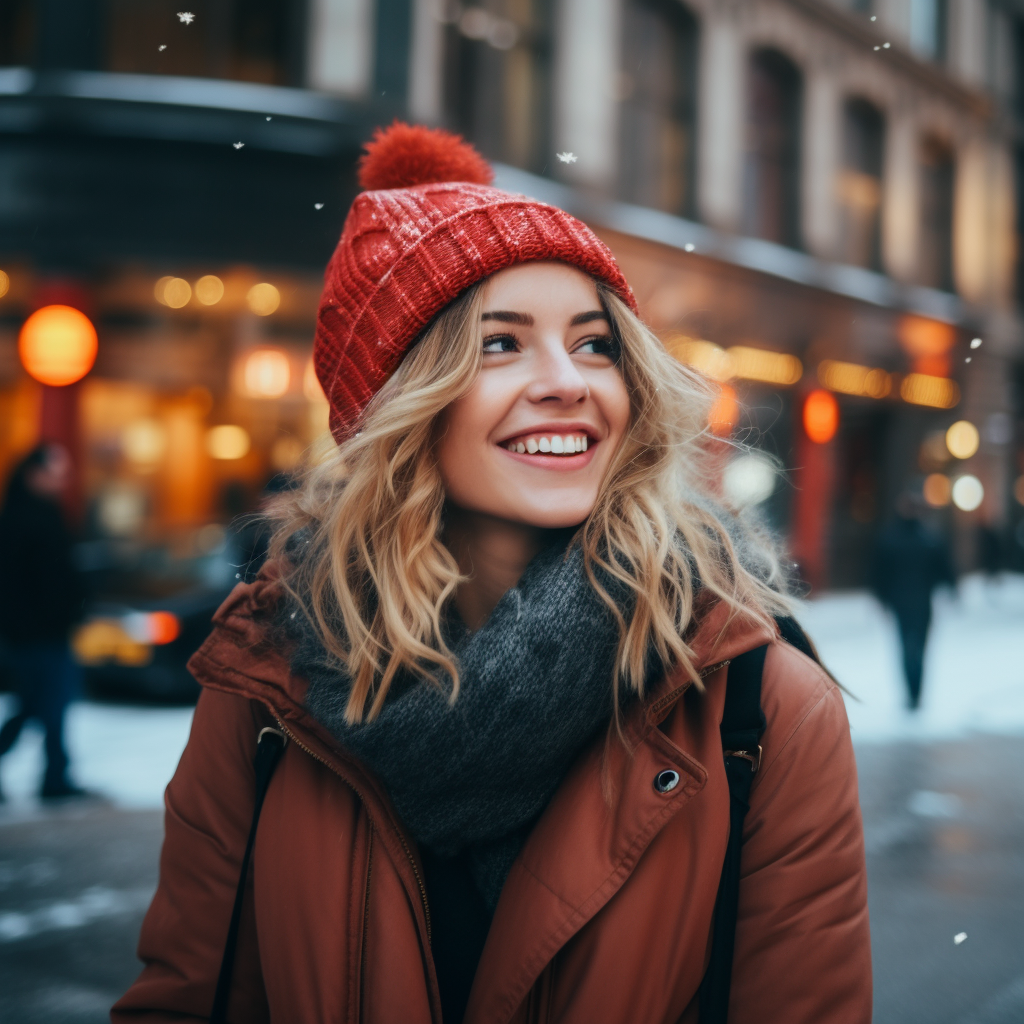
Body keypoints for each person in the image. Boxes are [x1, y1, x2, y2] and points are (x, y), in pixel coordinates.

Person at [113, 124, 871, 1023]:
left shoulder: (759, 705)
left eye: (595, 344)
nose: (568, 381)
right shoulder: (264, 684)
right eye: (499, 344)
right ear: (398, 406)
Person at [0, 443, 87, 800]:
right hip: (32, 635)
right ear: (32, 475)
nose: (59, 481)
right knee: (41, 703)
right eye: (53, 474)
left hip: (52, 631)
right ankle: (55, 776)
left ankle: (56, 775)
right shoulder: (19, 520)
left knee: (50, 703)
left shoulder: (50, 514)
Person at [873, 492, 956, 710]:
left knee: (913, 649)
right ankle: (914, 693)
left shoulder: (918, 537)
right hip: (910, 603)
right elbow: (880, 571)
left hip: (913, 603)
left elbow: (942, 566)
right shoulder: (924, 537)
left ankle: (914, 693)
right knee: (913, 649)